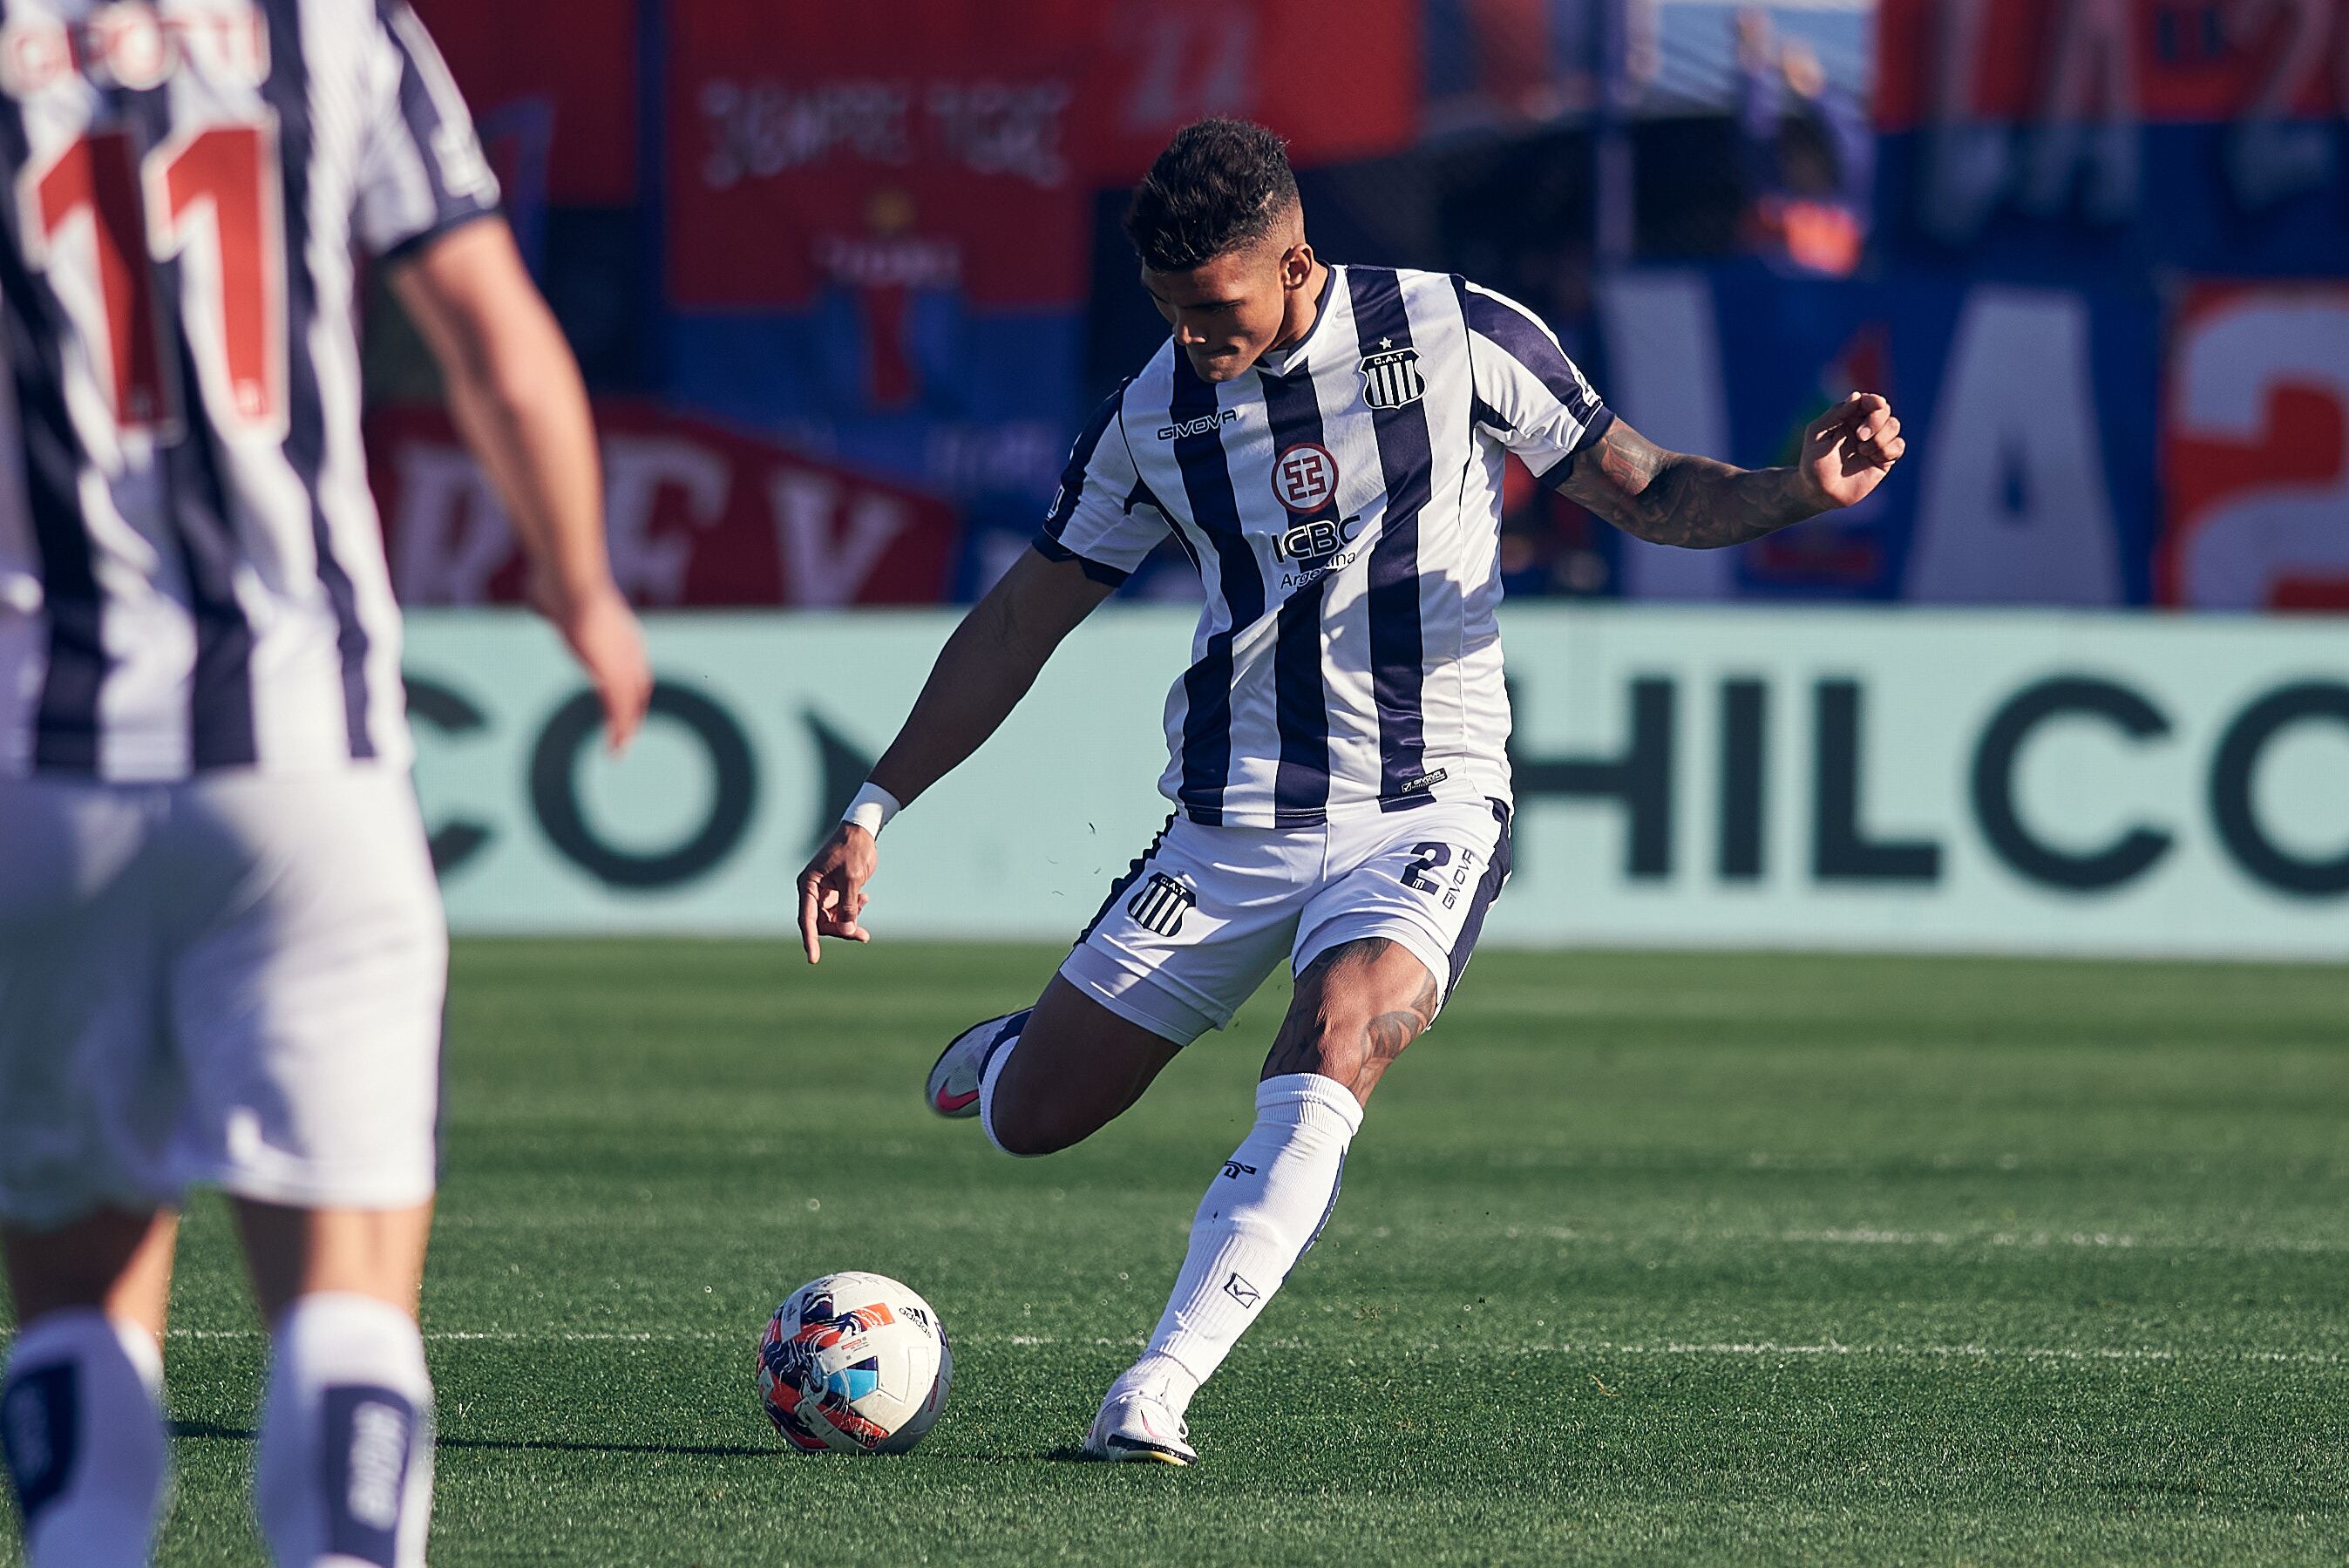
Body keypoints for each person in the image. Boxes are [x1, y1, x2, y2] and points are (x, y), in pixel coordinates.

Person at [796, 118, 1903, 1465]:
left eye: (1216, 309)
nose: (1194, 337)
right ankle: (1019, 1050)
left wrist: (1798, 486)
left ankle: (1156, 1385)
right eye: (1168, 311)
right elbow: (1024, 619)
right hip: (1235, 817)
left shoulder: (1458, 335)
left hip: (1429, 800)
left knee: (1341, 1032)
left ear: (1296, 259)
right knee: (1035, 1125)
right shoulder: (1155, 414)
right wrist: (872, 807)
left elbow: (1648, 487)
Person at [0, 3, 649, 1563]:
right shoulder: (328, 25)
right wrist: (583, 588)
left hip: (41, 762)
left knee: (80, 1302)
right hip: (307, 754)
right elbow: (490, 333)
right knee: (347, 1300)